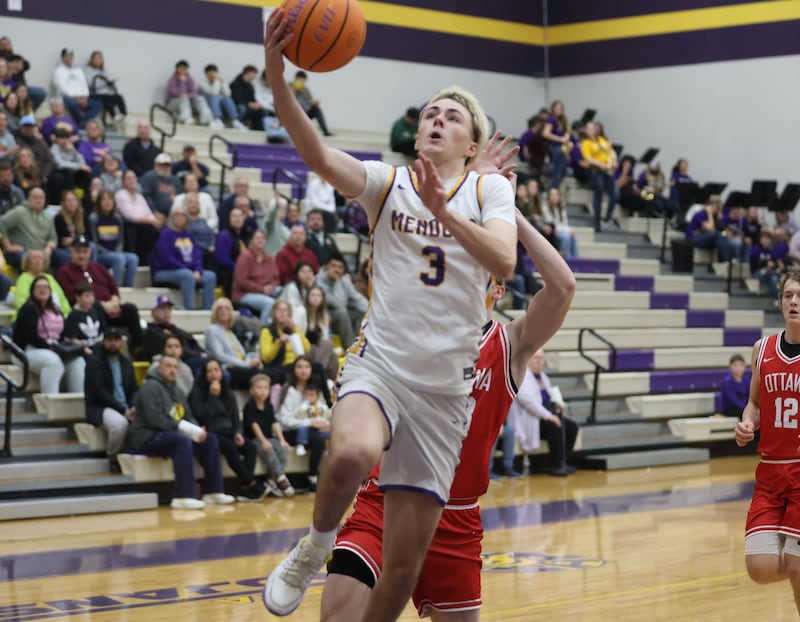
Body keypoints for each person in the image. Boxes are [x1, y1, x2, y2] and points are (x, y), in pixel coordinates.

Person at [262, 10, 517, 619]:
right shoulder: (389, 181)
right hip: (383, 366)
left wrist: (448, 213)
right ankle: (313, 547)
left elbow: (505, 260)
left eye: (451, 116)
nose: (436, 119)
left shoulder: (489, 193)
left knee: (400, 574)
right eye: (431, 112)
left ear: (472, 146)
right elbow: (320, 157)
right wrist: (276, 73)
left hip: (444, 394)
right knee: (350, 452)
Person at [321, 208, 576, 621]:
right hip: (385, 501)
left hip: (455, 518)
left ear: (497, 288)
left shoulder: (510, 344)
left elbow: (563, 287)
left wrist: (508, 211)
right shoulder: (412, 332)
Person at [734, 270, 800, 615]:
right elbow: (755, 403)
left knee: (797, 566)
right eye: (789, 295)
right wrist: (748, 422)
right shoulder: (763, 349)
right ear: (780, 302)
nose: (794, 302)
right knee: (760, 569)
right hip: (771, 474)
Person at [128, 355, 236, 510]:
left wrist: (197, 430)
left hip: (171, 433)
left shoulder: (177, 390)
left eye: (175, 367)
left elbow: (188, 415)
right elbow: (155, 419)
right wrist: (187, 430)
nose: (172, 370)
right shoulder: (149, 387)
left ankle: (213, 491)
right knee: (181, 441)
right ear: (159, 368)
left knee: (209, 440)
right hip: (147, 435)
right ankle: (182, 496)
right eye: (168, 366)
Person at [189, 358, 267, 501]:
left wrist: (238, 432)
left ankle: (244, 489)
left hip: (229, 431)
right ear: (204, 375)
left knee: (250, 448)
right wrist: (212, 395)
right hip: (211, 432)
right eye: (209, 371)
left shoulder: (228, 392)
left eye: (216, 370)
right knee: (230, 447)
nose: (213, 374)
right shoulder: (197, 393)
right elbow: (203, 418)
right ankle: (252, 483)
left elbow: (236, 418)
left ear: (221, 372)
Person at [55, 235, 143, 352]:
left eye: (85, 252)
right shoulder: (64, 272)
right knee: (96, 308)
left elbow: (113, 288)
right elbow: (71, 297)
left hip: (111, 309)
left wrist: (114, 302)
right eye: (78, 252)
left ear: (90, 252)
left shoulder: (98, 267)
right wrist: (102, 305)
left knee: (130, 309)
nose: (82, 255)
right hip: (86, 313)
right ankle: (106, 347)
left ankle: (138, 349)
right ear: (71, 252)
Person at [508, 349, 580, 476]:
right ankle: (556, 465)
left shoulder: (543, 377)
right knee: (555, 426)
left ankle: (563, 461)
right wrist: (549, 416)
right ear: (528, 360)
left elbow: (551, 396)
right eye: (536, 358)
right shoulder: (521, 376)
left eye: (541, 358)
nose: (539, 361)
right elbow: (529, 403)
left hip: (547, 414)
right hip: (532, 418)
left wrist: (558, 405)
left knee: (572, 427)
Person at [12, 274, 85, 394]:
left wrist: (72, 342)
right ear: (32, 291)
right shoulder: (27, 309)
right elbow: (30, 337)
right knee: (53, 362)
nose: (42, 289)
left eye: (46, 287)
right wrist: (51, 347)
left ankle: (77, 401)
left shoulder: (55, 308)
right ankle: (49, 402)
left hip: (54, 348)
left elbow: (63, 332)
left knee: (77, 361)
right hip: (27, 350)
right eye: (39, 287)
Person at [84, 326, 137, 473]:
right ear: (103, 341)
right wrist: (123, 410)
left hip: (126, 407)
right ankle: (113, 458)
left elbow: (134, 389)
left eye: (116, 340)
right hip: (101, 407)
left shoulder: (126, 362)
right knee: (120, 425)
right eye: (109, 340)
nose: (113, 343)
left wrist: (133, 406)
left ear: (121, 342)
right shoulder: (95, 362)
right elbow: (99, 393)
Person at [275, 355, 330, 488]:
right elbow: (285, 420)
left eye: (307, 367)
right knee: (317, 440)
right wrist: (310, 422)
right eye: (299, 367)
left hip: (312, 429)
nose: (303, 370)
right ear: (294, 370)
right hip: (291, 431)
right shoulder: (289, 390)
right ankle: (312, 477)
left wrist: (326, 425)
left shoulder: (315, 389)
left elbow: (322, 412)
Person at [151, 204, 217, 310]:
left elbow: (197, 256)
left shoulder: (188, 234)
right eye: (177, 214)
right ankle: (188, 309)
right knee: (186, 275)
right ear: (172, 217)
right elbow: (168, 259)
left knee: (210, 276)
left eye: (183, 215)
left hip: (187, 271)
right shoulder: (166, 234)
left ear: (186, 218)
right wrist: (189, 270)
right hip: (164, 271)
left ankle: (206, 311)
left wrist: (198, 270)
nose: (180, 217)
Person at [242, 373, 296, 497]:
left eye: (265, 388)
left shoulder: (268, 405)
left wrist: (282, 440)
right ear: (252, 390)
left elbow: (274, 423)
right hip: (255, 438)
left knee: (282, 448)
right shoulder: (249, 406)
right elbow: (254, 425)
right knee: (269, 450)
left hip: (269, 437)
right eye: (259, 388)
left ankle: (271, 481)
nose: (263, 391)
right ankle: (281, 479)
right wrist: (263, 441)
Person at [204, 297, 264, 390]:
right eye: (220, 308)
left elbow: (242, 354)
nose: (223, 311)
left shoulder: (230, 332)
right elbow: (220, 356)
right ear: (215, 312)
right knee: (259, 376)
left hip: (241, 366)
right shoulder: (212, 330)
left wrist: (253, 360)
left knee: (266, 373)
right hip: (228, 368)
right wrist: (246, 364)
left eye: (226, 308)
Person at [141, 294, 207, 372]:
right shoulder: (151, 332)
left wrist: (203, 353)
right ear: (153, 312)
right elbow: (176, 350)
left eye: (169, 309)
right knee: (204, 364)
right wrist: (199, 355)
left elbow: (192, 341)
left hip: (189, 361)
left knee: (211, 363)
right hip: (174, 364)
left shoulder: (174, 329)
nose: (166, 311)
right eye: (162, 308)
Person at [315, 253, 368, 349]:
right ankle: (351, 347)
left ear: (343, 269)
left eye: (340, 267)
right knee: (342, 312)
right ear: (327, 267)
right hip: (325, 316)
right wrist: (336, 282)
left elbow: (357, 298)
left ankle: (360, 344)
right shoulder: (319, 281)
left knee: (360, 312)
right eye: (333, 266)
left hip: (342, 315)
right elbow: (338, 303)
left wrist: (371, 311)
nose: (336, 270)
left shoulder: (344, 281)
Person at [89, 189, 139, 288]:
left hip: (115, 253)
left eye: (110, 199)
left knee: (133, 258)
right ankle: (114, 288)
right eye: (104, 200)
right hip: (101, 255)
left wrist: (117, 252)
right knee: (119, 259)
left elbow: (120, 241)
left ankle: (128, 288)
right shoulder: (94, 218)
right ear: (99, 203)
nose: (108, 202)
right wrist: (109, 253)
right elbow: (94, 242)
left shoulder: (118, 218)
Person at [0, 186, 56, 270]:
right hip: (22, 252)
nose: (38, 200)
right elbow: (1, 224)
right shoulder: (19, 212)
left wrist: (49, 247)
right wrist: (8, 246)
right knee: (27, 258)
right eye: (35, 197)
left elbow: (53, 237)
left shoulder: (48, 217)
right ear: (28, 199)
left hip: (42, 253)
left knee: (62, 256)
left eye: (41, 198)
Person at [232, 229, 280, 324]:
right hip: (244, 293)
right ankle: (265, 331)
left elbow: (276, 278)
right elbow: (242, 281)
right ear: (251, 241)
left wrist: (271, 286)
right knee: (269, 303)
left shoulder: (269, 258)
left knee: (284, 292)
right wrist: (262, 289)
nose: (260, 240)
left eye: (262, 238)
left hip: (266, 290)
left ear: (266, 241)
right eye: (257, 238)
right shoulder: (245, 257)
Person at [115, 169, 162, 261]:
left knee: (156, 230)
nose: (132, 180)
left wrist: (155, 221)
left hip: (145, 225)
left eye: (133, 178)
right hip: (130, 225)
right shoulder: (121, 195)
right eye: (128, 178)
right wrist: (151, 221)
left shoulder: (139, 196)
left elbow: (148, 212)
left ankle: (152, 260)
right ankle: (141, 260)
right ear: (123, 181)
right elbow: (130, 215)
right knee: (148, 231)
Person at [259, 299, 311, 383]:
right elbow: (266, 358)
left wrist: (295, 329)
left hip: (299, 365)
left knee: (318, 368)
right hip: (281, 366)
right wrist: (278, 342)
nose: (282, 313)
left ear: (289, 314)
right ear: (274, 313)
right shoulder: (267, 331)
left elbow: (307, 349)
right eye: (279, 310)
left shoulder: (293, 329)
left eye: (285, 310)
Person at [580, 121, 619, 232]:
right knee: (599, 195)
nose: (593, 130)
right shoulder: (586, 143)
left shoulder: (602, 140)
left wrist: (614, 161)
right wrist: (602, 164)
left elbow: (611, 151)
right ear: (587, 130)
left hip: (608, 171)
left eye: (594, 128)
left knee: (615, 194)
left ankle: (607, 218)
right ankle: (597, 222)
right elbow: (588, 158)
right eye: (590, 128)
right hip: (597, 171)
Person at [51, 48, 102, 128]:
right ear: (63, 57)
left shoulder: (78, 70)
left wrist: (85, 97)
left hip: (82, 96)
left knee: (98, 105)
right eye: (67, 56)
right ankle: (80, 121)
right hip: (68, 97)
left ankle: (83, 121)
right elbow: (61, 87)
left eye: (71, 56)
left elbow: (84, 84)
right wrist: (76, 98)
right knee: (72, 104)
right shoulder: (58, 71)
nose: (69, 58)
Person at [13, 249, 71, 317]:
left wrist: (65, 316)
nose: (38, 261)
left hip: (56, 318)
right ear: (27, 262)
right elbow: (21, 303)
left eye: (41, 258)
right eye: (34, 258)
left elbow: (62, 299)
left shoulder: (50, 278)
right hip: (32, 318)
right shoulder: (23, 278)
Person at [214, 205, 254, 298]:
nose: (237, 219)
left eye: (240, 216)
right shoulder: (224, 235)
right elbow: (222, 259)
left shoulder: (247, 235)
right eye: (234, 216)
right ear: (229, 219)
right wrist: (239, 268)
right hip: (228, 272)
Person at [62, 279, 106, 354]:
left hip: (98, 346)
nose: (91, 299)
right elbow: (72, 339)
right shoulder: (73, 315)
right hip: (84, 350)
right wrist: (84, 348)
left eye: (92, 296)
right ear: (78, 297)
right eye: (87, 296)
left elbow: (103, 330)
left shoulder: (95, 310)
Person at [84, 50, 127, 125]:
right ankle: (114, 116)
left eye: (100, 58)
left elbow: (110, 78)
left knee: (119, 97)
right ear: (92, 59)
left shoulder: (105, 70)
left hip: (108, 92)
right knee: (108, 100)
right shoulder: (88, 70)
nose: (98, 60)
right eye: (96, 58)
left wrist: (110, 81)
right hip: (97, 93)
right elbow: (91, 83)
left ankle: (124, 115)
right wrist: (104, 81)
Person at [199, 64, 246, 130]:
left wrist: (223, 82)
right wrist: (216, 81)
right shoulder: (203, 83)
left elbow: (228, 93)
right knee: (214, 98)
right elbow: (214, 92)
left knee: (227, 99)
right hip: (209, 103)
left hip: (221, 103)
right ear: (206, 73)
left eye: (214, 72)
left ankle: (235, 121)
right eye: (210, 72)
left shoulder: (221, 80)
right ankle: (217, 119)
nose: (212, 74)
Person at [165, 60, 212, 126]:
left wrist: (187, 95)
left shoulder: (190, 79)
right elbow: (173, 93)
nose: (183, 70)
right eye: (181, 68)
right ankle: (185, 119)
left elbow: (194, 92)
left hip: (187, 102)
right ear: (177, 69)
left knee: (200, 98)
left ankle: (206, 119)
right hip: (172, 103)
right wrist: (182, 83)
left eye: (185, 68)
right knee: (184, 99)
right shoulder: (172, 80)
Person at [140, 153, 182, 219]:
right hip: (153, 214)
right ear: (155, 165)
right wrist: (155, 212)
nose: (164, 167)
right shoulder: (149, 177)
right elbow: (146, 196)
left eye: (167, 165)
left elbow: (180, 196)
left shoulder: (175, 179)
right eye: (162, 165)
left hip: (173, 215)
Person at [541, 100, 570, 190]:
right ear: (553, 109)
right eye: (557, 108)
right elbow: (545, 133)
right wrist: (560, 139)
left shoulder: (563, 121)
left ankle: (554, 188)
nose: (559, 110)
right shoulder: (551, 119)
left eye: (561, 108)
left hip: (562, 148)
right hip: (553, 146)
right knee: (557, 170)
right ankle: (553, 188)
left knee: (563, 170)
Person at [718, 353, 749, 419]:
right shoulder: (727, 382)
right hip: (729, 408)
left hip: (743, 407)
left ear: (744, 367)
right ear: (730, 367)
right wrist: (746, 409)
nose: (738, 368)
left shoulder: (746, 380)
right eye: (735, 365)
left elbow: (750, 396)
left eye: (741, 365)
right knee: (745, 414)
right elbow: (734, 400)